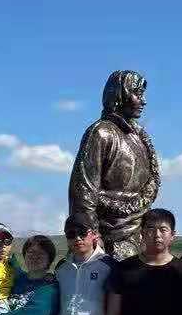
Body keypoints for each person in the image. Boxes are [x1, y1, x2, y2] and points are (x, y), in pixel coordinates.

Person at [67, 70, 162, 261]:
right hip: (108, 241)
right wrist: (93, 239)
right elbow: (83, 191)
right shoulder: (100, 133)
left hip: (138, 236)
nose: (143, 101)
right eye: (137, 94)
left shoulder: (139, 137)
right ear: (119, 95)